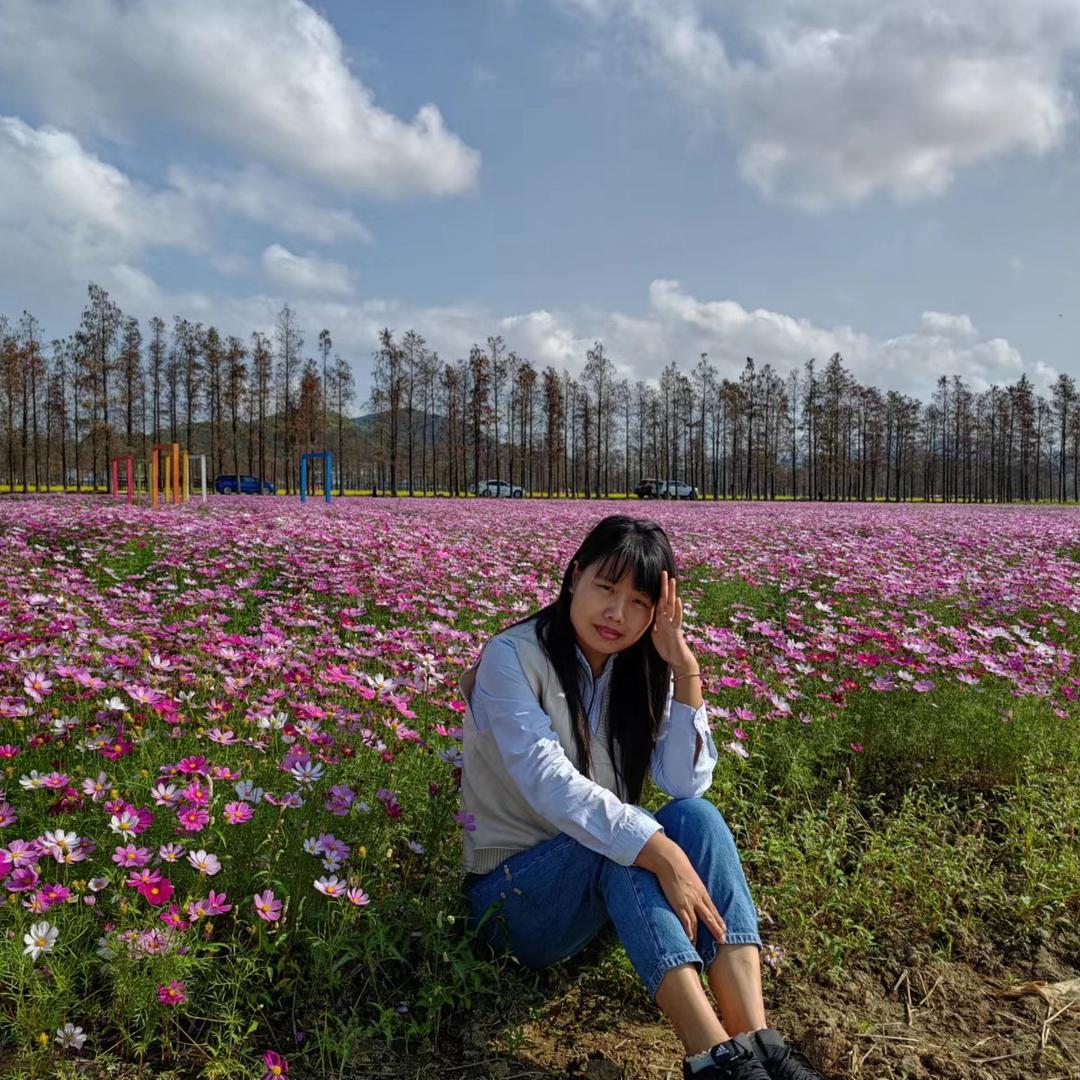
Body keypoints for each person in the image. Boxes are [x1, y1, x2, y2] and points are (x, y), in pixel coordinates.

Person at [459, 515, 825, 1080]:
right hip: (512, 901)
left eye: (638, 601)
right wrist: (656, 849)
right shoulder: (511, 657)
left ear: (658, 610)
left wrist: (684, 671)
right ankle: (713, 1058)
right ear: (574, 576)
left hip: (595, 895)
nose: (617, 614)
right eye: (606, 588)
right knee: (622, 841)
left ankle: (757, 1041)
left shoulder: (638, 667)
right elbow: (547, 779)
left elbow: (684, 784)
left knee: (694, 817)